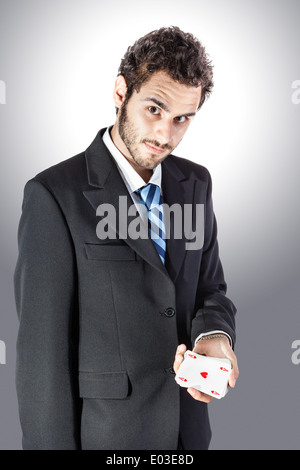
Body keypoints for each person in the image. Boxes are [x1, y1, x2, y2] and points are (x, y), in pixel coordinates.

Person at [14, 26, 239, 450]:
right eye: (154, 108)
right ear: (121, 92)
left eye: (182, 119)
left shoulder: (195, 183)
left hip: (187, 436)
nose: (165, 135)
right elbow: (42, 364)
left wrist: (215, 337)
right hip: (106, 438)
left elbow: (211, 290)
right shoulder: (53, 195)